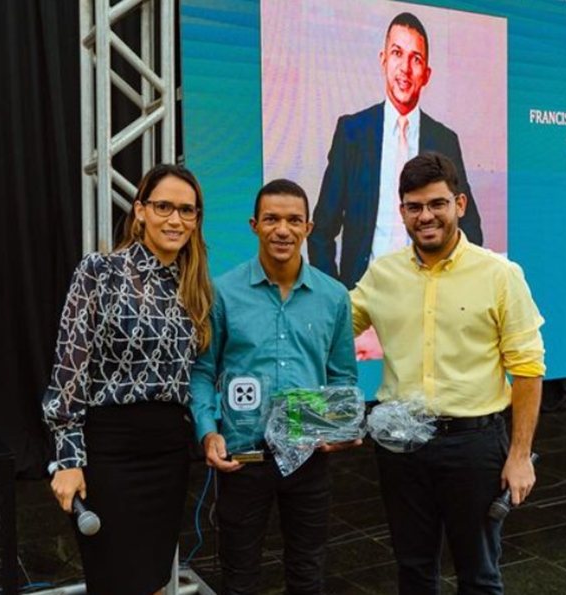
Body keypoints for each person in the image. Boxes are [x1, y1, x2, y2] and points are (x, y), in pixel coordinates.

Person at [349, 152, 544, 594]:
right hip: (400, 449)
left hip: (473, 446)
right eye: (414, 207)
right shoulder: (382, 275)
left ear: (460, 204)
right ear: (402, 213)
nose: (426, 216)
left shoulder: (500, 275)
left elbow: (529, 370)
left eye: (437, 203)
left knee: (478, 574)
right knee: (413, 569)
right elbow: (332, 325)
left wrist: (519, 455)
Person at [41, 164, 213, 595]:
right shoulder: (100, 272)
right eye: (163, 207)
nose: (175, 220)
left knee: (153, 581)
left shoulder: (194, 287)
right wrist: (67, 457)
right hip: (112, 455)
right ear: (140, 210)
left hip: (170, 456)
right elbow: (69, 369)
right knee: (117, 583)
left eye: (187, 211)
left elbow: (194, 377)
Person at [190, 179, 359, 595]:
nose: (282, 229)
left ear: (308, 226)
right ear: (254, 225)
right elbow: (201, 371)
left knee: (307, 573)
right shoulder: (223, 292)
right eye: (272, 219)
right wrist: (207, 430)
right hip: (243, 457)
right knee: (240, 576)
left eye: (293, 220)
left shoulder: (334, 296)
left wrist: (339, 426)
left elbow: (343, 378)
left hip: (308, 456)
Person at [309, 11, 483, 292]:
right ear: (383, 60)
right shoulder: (352, 132)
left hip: (428, 300)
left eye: (416, 59)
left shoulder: (444, 140)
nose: (405, 68)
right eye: (397, 53)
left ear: (426, 75)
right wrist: (338, 301)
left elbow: (471, 230)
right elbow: (321, 232)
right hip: (363, 300)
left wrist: (451, 291)